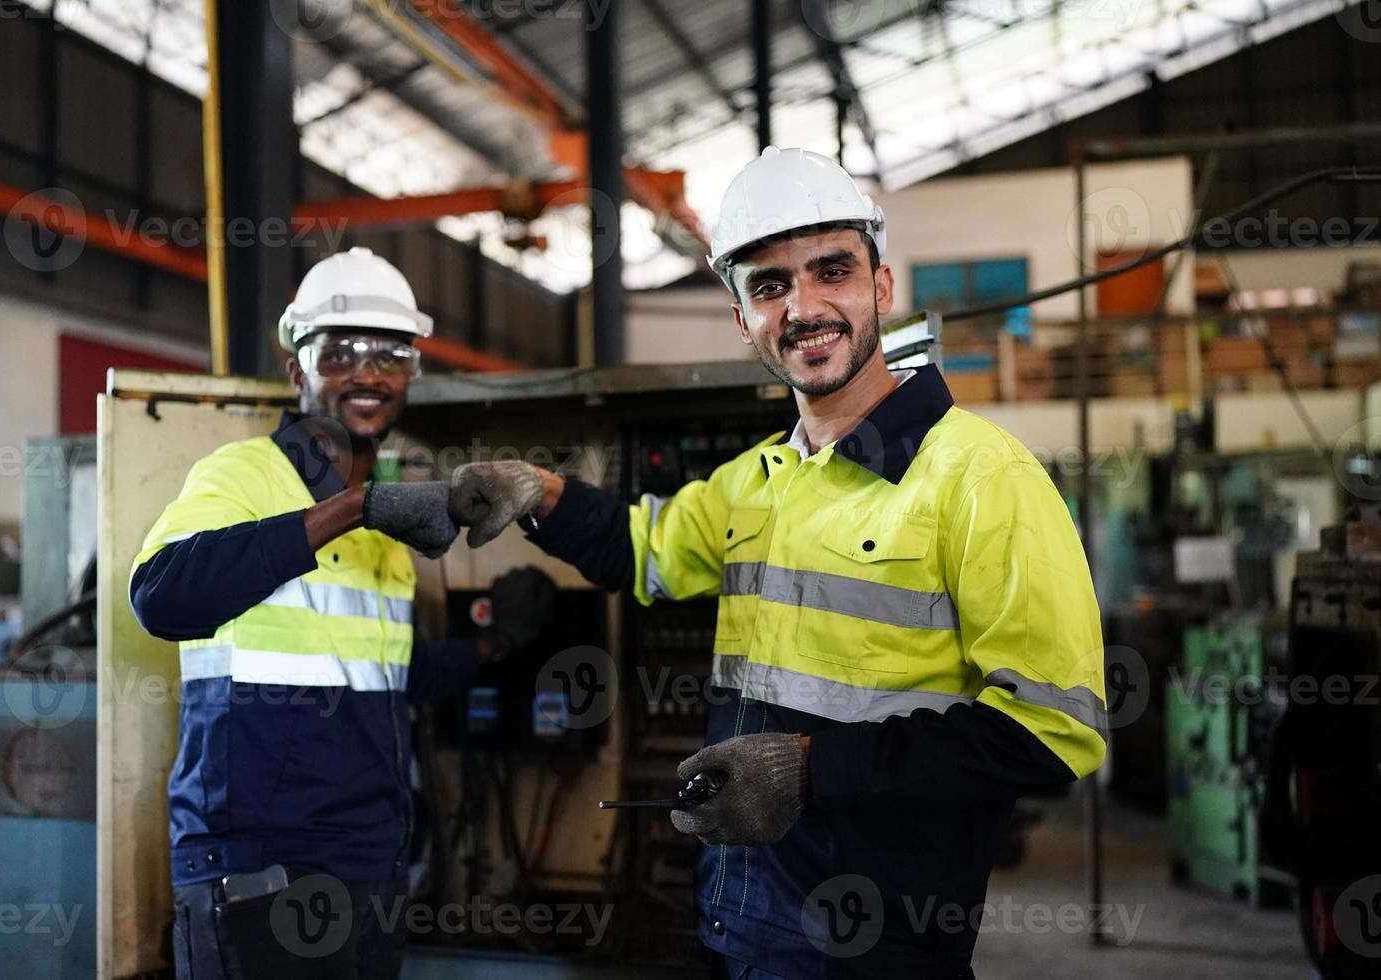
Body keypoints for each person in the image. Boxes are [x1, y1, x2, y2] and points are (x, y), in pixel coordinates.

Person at [446, 148, 1107, 978]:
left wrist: (812, 769)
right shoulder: (758, 479)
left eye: (832, 269)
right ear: (740, 316)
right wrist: (536, 490)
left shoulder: (983, 477)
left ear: (881, 287)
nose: (804, 307)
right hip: (742, 915)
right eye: (769, 285)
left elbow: (1053, 731)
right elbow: (643, 552)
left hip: (878, 940)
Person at [129, 247, 552, 979]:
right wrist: (355, 508)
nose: (368, 371)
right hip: (261, 869)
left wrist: (497, 642)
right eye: (342, 351)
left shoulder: (388, 522)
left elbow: (395, 675)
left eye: (391, 353)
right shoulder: (244, 474)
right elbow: (161, 597)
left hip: (370, 867)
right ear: (297, 368)